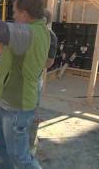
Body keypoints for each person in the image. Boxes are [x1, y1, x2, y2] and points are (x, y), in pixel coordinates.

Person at [0, 0, 50, 169]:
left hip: (16, 106)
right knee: (0, 147)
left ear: (25, 14)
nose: (14, 16)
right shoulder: (41, 30)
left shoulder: (27, 33)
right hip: (8, 101)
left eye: (15, 13)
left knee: (19, 157)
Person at [28, 9, 58, 156]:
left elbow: (49, 62)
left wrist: (32, 62)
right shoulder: (28, 32)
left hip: (33, 79)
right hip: (21, 79)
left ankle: (29, 150)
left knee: (31, 112)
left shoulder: (50, 37)